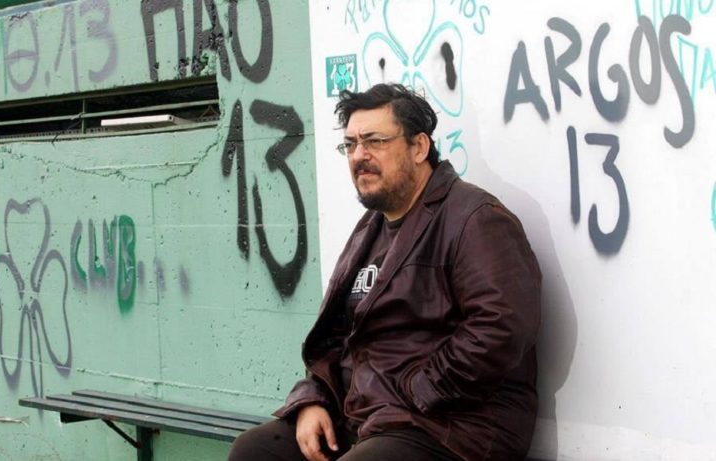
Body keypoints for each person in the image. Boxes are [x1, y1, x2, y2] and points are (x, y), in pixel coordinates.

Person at [228, 83, 541, 461]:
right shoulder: (369, 229)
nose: (359, 155)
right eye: (350, 144)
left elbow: (501, 327)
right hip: (372, 416)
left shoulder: (474, 218)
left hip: (452, 424)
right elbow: (338, 337)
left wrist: (417, 392)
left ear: (419, 147)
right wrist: (314, 399)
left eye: (374, 141)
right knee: (255, 452)